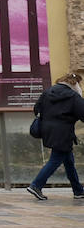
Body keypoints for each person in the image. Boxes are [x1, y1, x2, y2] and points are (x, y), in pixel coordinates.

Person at [26, 72, 84, 201]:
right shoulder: (73, 96)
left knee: (68, 161)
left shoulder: (48, 92)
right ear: (75, 83)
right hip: (63, 132)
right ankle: (36, 185)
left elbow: (37, 109)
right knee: (55, 160)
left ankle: (78, 190)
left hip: (47, 130)